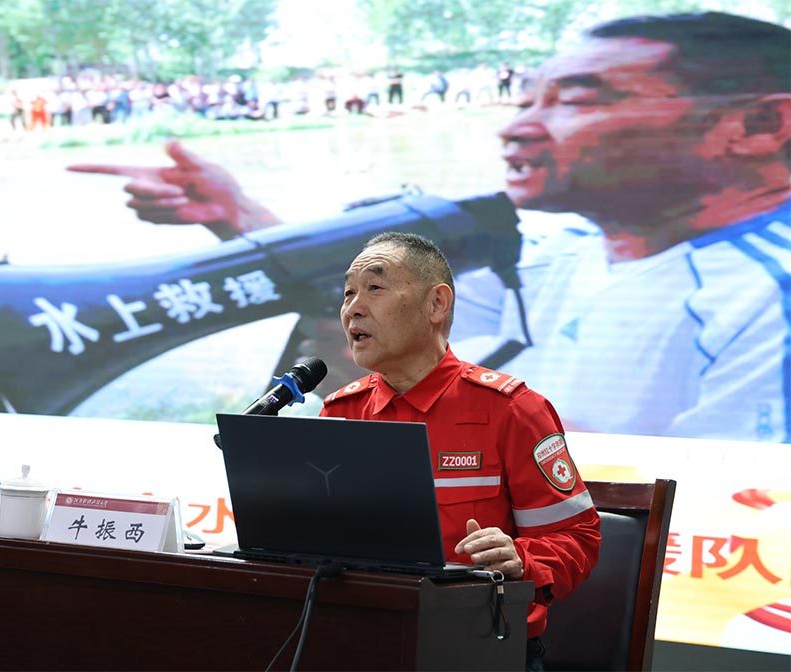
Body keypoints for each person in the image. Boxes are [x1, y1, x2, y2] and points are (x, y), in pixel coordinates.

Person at [66, 12, 790, 443]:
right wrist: (241, 219)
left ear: (759, 125)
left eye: (576, 100)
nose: (518, 128)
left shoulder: (771, 294)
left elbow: (729, 501)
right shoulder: (563, 252)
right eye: (526, 99)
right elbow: (399, 310)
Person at [323, 231, 600, 669]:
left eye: (374, 287)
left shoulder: (512, 409)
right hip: (362, 641)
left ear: (437, 304)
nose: (353, 308)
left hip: (480, 648)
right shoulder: (341, 412)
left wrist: (521, 558)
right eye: (347, 293)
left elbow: (578, 539)